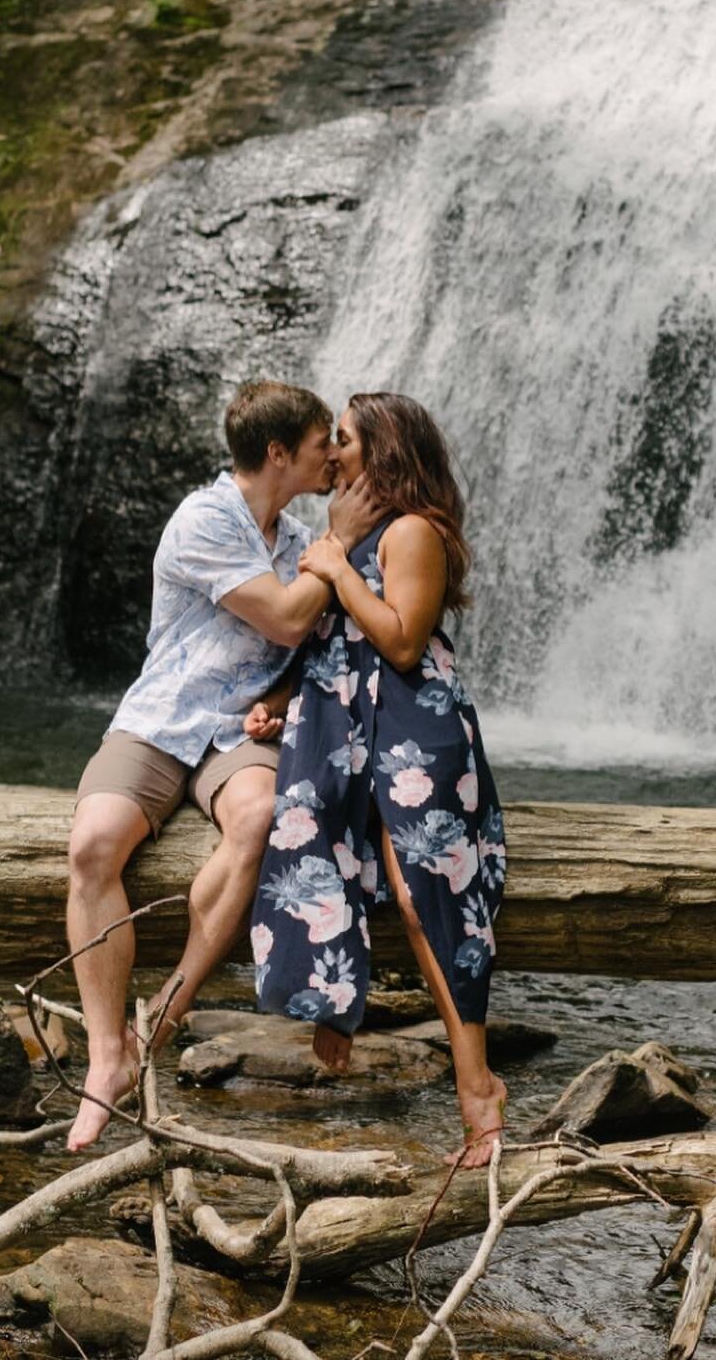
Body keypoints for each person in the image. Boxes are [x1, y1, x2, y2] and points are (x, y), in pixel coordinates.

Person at [64, 379, 381, 1152]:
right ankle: (107, 1059)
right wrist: (338, 541)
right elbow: (282, 613)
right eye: (319, 447)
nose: (332, 460)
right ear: (278, 454)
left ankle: (164, 1015)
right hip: (163, 717)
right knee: (92, 846)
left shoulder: (296, 535)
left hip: (239, 732)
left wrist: (276, 696)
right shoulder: (205, 519)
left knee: (258, 817)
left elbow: (303, 648)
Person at [244, 392, 508, 1167]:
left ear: (383, 454)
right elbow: (334, 645)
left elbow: (398, 643)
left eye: (346, 442)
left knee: (425, 900)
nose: (332, 453)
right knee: (330, 858)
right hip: (345, 736)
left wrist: (331, 561)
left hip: (411, 733)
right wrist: (281, 702)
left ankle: (477, 1088)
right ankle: (338, 1008)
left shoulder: (413, 532)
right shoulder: (349, 535)